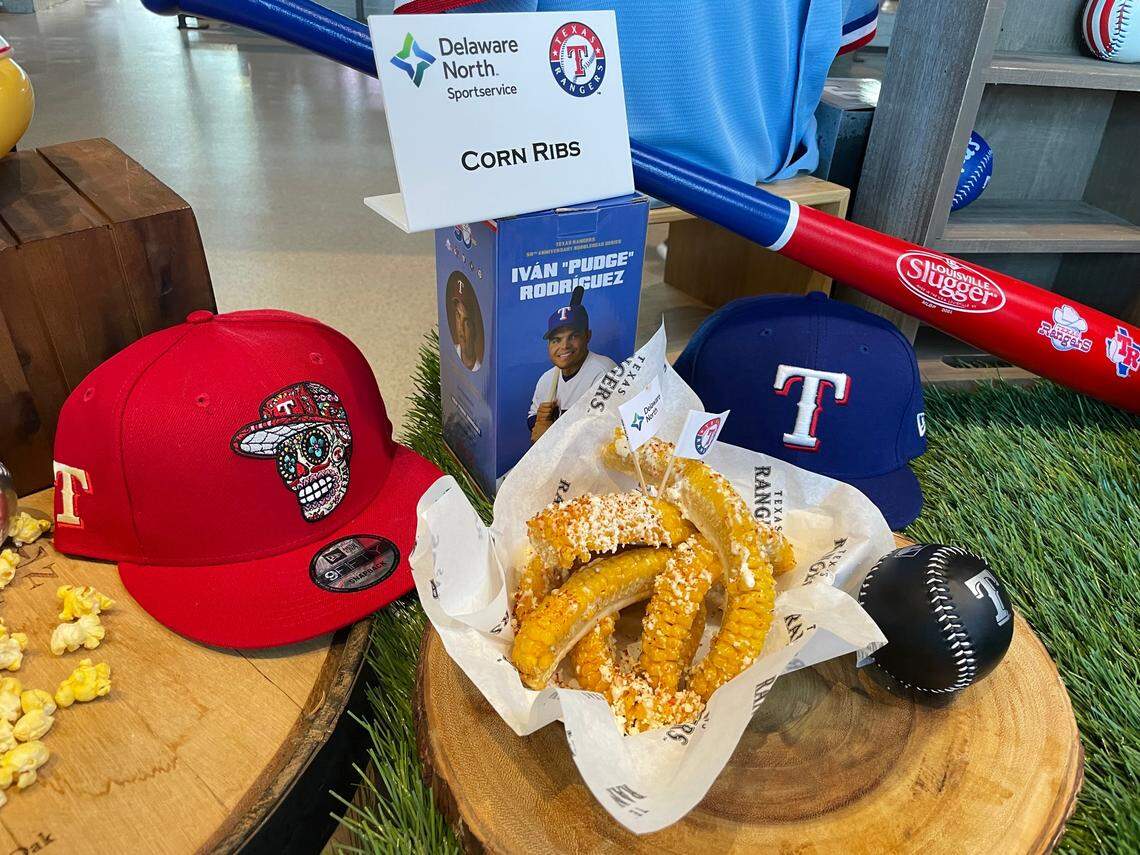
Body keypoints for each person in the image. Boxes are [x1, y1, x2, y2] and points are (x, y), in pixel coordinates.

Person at [528, 303, 616, 443]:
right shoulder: (546, 379)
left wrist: (550, 434)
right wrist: (539, 419)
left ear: (587, 336)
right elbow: (532, 417)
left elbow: (604, 433)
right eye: (556, 340)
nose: (564, 346)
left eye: (573, 336)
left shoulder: (604, 372)